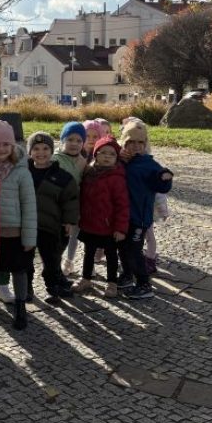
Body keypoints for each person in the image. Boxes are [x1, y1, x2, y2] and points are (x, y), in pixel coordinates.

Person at [0, 121, 37, 330]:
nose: (1, 149)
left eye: (6, 144)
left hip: (15, 234)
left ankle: (20, 307)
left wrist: (29, 238)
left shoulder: (21, 172)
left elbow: (29, 206)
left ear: (12, 145)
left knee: (19, 271)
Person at [118, 122, 174, 299]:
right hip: (123, 216)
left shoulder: (150, 164)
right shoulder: (123, 161)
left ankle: (144, 284)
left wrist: (165, 178)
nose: (136, 146)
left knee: (134, 251)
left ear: (145, 144)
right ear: (124, 143)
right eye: (131, 142)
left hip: (139, 218)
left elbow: (161, 186)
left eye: (140, 142)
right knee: (123, 247)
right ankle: (127, 275)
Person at [73, 137, 129, 298]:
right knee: (88, 252)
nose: (107, 156)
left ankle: (112, 282)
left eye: (112, 154)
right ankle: (86, 278)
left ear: (116, 158)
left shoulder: (117, 178)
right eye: (103, 152)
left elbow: (122, 205)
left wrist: (120, 228)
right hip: (90, 223)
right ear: (96, 154)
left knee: (111, 255)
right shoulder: (89, 173)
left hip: (108, 226)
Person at [26, 132, 79, 301]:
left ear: (52, 151)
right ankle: (26, 289)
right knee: (25, 260)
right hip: (26, 225)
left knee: (51, 259)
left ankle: (54, 287)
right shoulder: (23, 173)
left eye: (45, 148)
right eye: (36, 149)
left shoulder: (62, 177)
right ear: (30, 152)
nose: (41, 152)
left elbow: (70, 200)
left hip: (50, 226)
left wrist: (69, 221)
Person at [53, 122, 87, 275]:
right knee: (59, 237)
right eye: (70, 139)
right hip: (59, 206)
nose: (74, 144)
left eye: (79, 140)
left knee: (74, 235)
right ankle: (55, 262)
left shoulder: (83, 161)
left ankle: (69, 261)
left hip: (76, 205)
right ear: (62, 140)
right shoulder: (55, 159)